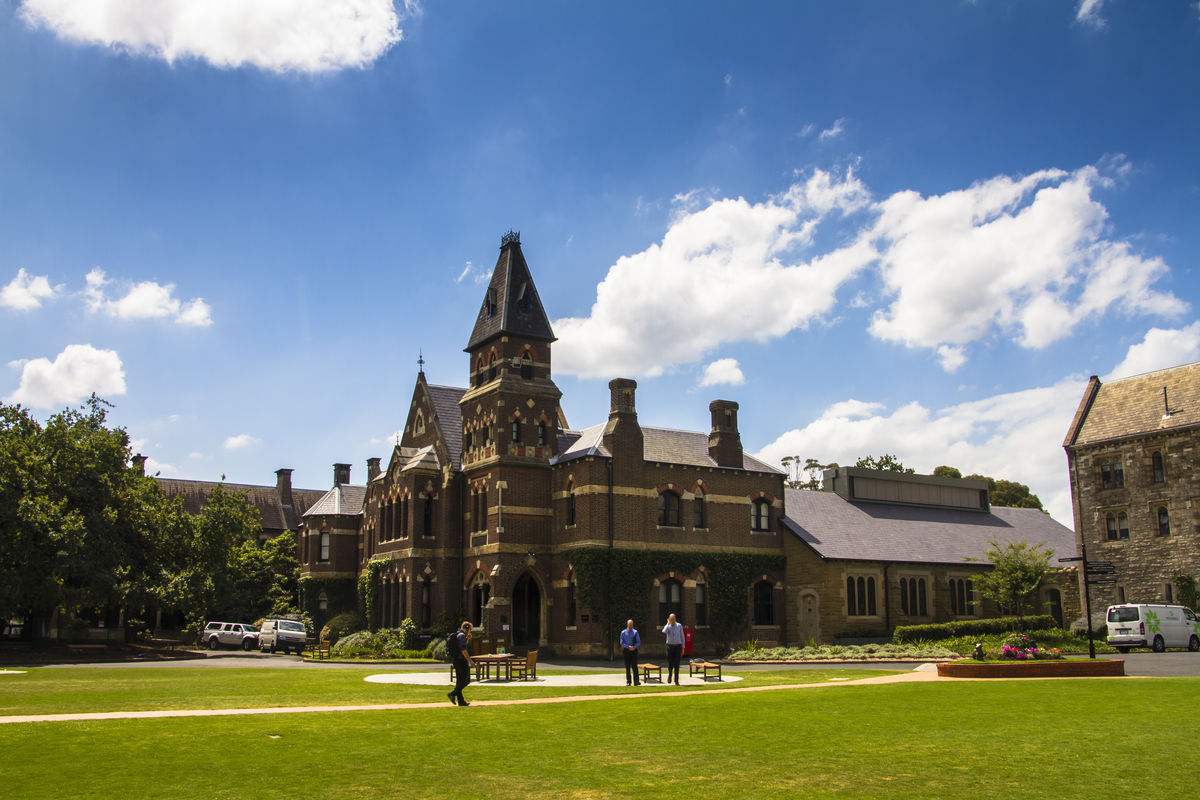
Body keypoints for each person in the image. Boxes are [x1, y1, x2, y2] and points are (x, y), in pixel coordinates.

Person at [447, 620, 473, 706]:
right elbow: (463, 650)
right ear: (467, 629)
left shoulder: (459, 635)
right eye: (470, 630)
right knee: (466, 680)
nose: (470, 631)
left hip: (456, 660)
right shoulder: (462, 636)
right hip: (461, 661)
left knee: (459, 681)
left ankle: (461, 701)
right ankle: (452, 694)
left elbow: (461, 647)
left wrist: (467, 639)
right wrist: (470, 661)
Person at [661, 612, 684, 685]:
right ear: (669, 619)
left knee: (677, 664)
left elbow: (682, 636)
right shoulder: (668, 626)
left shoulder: (679, 625)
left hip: (678, 646)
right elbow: (663, 631)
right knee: (670, 663)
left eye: (673, 619)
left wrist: (683, 647)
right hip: (670, 646)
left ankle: (676, 680)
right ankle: (670, 675)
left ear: (675, 619)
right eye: (671, 619)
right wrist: (667, 624)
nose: (672, 620)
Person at [619, 618, 641, 686]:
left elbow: (638, 642)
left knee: (634, 666)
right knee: (627, 667)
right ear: (627, 624)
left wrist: (634, 647)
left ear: (633, 624)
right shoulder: (623, 632)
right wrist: (628, 647)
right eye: (629, 624)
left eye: (631, 624)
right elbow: (621, 642)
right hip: (626, 651)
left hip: (634, 651)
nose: (630, 625)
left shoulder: (635, 632)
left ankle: (636, 681)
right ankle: (628, 682)